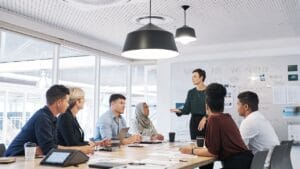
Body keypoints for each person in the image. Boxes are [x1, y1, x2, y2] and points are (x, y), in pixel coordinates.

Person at [5, 85, 94, 156]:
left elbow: (51, 146)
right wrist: (79, 149)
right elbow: (50, 149)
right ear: (59, 102)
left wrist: (46, 149)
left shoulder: (52, 118)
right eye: (66, 101)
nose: (68, 105)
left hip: (27, 158)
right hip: (15, 159)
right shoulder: (42, 117)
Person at [179, 83, 253, 169]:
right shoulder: (227, 117)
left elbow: (212, 153)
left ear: (207, 105)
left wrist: (191, 151)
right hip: (246, 162)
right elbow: (215, 149)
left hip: (237, 165)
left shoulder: (214, 119)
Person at [170, 68, 208, 140]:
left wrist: (205, 118)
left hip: (206, 120)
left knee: (206, 143)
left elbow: (212, 108)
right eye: (192, 77)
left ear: (201, 77)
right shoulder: (191, 92)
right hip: (194, 121)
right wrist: (178, 111)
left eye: (195, 76)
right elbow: (187, 109)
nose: (192, 79)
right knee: (194, 143)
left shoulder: (209, 91)